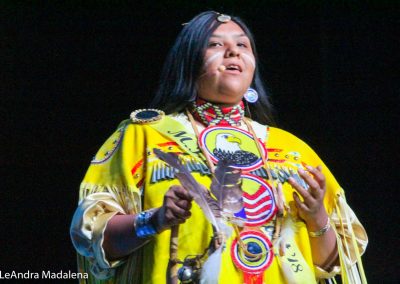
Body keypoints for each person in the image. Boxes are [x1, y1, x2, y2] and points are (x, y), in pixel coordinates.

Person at [70, 11, 368, 284]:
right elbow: (94, 240)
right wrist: (155, 219)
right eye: (214, 44)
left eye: (243, 45)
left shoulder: (291, 149)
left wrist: (317, 217)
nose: (233, 51)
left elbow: (333, 263)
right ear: (187, 63)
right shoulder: (144, 136)